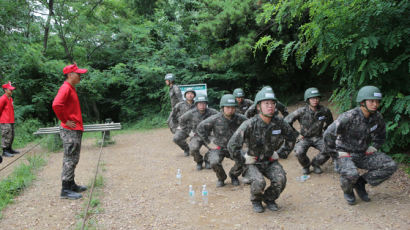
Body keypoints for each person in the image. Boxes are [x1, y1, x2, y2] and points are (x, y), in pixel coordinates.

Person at [323, 86, 397, 205]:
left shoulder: (377, 117)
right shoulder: (349, 116)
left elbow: (381, 134)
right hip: (345, 154)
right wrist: (335, 153)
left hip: (362, 153)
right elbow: (328, 134)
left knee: (390, 165)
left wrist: (375, 146)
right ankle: (348, 191)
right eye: (371, 101)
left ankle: (361, 183)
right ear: (362, 102)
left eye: (377, 101)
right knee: (351, 173)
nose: (375, 104)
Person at [228, 87, 297, 213]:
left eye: (272, 103)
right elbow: (232, 145)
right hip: (253, 162)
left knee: (281, 179)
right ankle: (256, 200)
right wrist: (243, 159)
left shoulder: (279, 122)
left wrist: (281, 153)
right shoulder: (249, 124)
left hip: (270, 160)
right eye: (266, 103)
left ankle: (269, 199)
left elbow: (292, 137)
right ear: (259, 106)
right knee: (259, 182)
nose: (270, 106)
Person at [52, 63, 88, 200]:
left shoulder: (71, 88)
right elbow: (56, 104)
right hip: (70, 130)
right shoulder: (65, 88)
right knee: (69, 158)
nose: (80, 76)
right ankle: (65, 189)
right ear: (70, 75)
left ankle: (71, 184)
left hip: (75, 129)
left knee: (74, 158)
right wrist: (65, 120)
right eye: (78, 74)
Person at [197, 94, 247, 187]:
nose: (230, 110)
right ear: (222, 107)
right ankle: (221, 178)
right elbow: (200, 127)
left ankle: (234, 175)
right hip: (218, 147)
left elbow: (250, 127)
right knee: (214, 161)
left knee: (244, 159)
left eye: (233, 107)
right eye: (227, 107)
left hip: (234, 147)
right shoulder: (215, 118)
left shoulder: (240, 118)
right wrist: (208, 142)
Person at [284, 87, 333, 174]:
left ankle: (316, 164)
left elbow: (330, 124)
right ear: (308, 100)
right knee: (299, 152)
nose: (315, 100)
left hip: (318, 137)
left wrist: (326, 134)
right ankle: (306, 166)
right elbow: (286, 122)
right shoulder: (301, 111)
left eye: (317, 98)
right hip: (304, 138)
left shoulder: (324, 111)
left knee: (329, 149)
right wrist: (296, 134)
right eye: (312, 98)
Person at [179, 93, 218, 170]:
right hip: (196, 135)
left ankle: (207, 160)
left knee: (215, 147)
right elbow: (181, 120)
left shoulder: (212, 112)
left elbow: (221, 117)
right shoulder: (191, 113)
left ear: (206, 104)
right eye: (200, 103)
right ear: (196, 104)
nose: (202, 105)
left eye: (204, 103)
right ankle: (199, 161)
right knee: (193, 149)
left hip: (209, 135)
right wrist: (189, 132)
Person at [171, 88, 196, 156]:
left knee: (195, 144)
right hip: (183, 127)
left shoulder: (198, 105)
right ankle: (186, 149)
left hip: (194, 128)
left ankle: (194, 148)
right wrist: (176, 126)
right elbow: (173, 116)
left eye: (191, 93)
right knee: (176, 138)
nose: (190, 95)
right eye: (188, 93)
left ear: (194, 95)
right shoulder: (180, 105)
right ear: (185, 95)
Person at [0, 81, 19, 159]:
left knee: (11, 135)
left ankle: (10, 149)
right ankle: (5, 151)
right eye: (10, 90)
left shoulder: (10, 98)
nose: (12, 91)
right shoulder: (2, 98)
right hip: (5, 121)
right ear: (5, 90)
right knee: (6, 135)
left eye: (12, 90)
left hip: (11, 120)